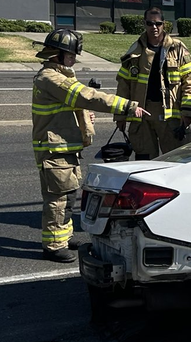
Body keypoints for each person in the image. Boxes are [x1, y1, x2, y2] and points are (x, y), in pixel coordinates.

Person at [32, 29, 147, 263]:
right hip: (55, 150)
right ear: (58, 55)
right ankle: (53, 245)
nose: (74, 59)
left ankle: (63, 237)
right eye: (71, 55)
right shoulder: (51, 78)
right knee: (58, 199)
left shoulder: (60, 76)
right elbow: (86, 96)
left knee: (68, 197)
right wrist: (126, 106)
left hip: (64, 149)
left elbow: (74, 105)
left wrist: (82, 118)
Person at [114, 7, 191, 159]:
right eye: (150, 23)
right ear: (144, 24)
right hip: (142, 114)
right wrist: (120, 116)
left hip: (170, 115)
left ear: (164, 24)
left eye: (158, 23)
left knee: (175, 160)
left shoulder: (177, 49)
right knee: (144, 161)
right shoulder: (135, 51)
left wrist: (187, 111)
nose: (154, 27)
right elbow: (123, 85)